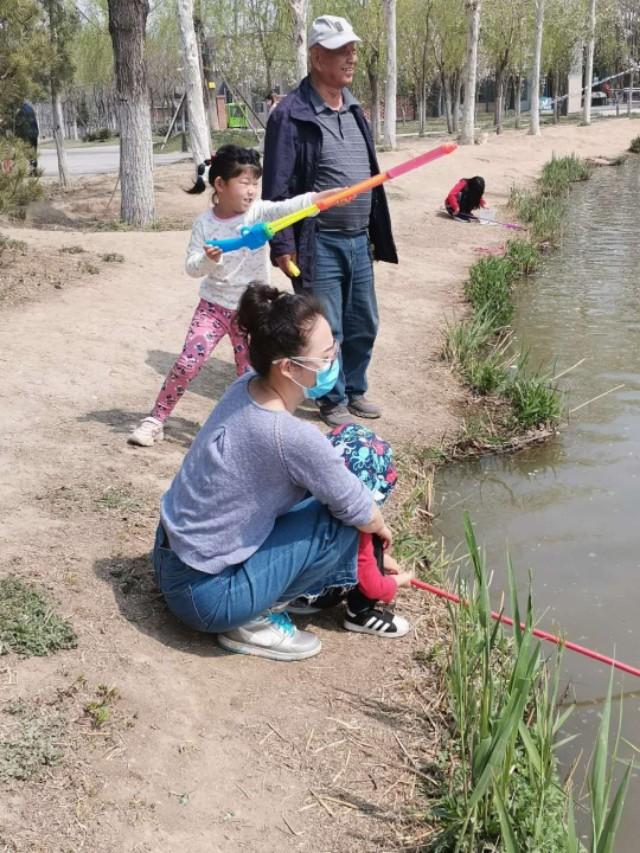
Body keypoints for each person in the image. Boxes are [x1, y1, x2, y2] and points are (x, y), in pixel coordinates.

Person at [153, 283, 395, 661]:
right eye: (326, 355)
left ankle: (276, 589)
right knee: (342, 520)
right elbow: (360, 509)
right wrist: (380, 536)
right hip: (207, 597)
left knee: (349, 451)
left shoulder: (245, 386)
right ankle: (254, 618)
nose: (333, 362)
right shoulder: (289, 435)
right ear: (288, 367)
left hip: (173, 554)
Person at [129, 145, 343, 447]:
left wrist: (323, 199)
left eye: (256, 182)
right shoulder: (205, 224)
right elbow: (192, 268)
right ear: (220, 185)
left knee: (250, 376)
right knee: (188, 362)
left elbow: (292, 206)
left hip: (254, 313)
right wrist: (209, 259)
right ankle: (156, 419)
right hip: (213, 308)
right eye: (245, 182)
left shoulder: (258, 213)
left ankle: (248, 428)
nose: (252, 190)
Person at [262, 14, 398, 428]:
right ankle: (331, 399)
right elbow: (277, 191)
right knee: (327, 327)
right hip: (317, 241)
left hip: (358, 239)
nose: (351, 57)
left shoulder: (355, 109)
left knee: (363, 321)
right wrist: (282, 246)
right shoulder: (290, 115)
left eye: (353, 49)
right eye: (342, 51)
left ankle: (355, 388)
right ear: (317, 57)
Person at [290, 424, 414, 636]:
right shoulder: (357, 526)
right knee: (371, 537)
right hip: (312, 596)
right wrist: (399, 580)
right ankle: (361, 615)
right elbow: (374, 587)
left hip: (280, 587)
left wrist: (381, 560)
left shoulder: (297, 493)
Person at [13, 101, 39, 175]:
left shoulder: (21, 111)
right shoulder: (30, 108)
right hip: (34, 134)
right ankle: (34, 171)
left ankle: (24, 172)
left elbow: (18, 123)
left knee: (26, 154)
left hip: (27, 135)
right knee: (33, 153)